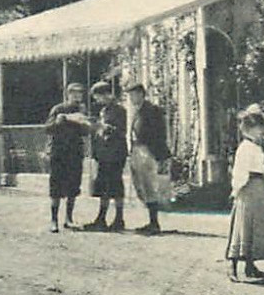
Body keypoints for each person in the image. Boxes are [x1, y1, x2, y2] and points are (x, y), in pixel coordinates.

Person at [225, 104, 264, 282]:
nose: (261, 133)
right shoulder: (245, 148)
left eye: (263, 130)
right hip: (247, 189)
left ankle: (250, 265)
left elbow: (262, 168)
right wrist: (237, 189)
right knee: (243, 226)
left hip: (258, 189)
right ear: (249, 129)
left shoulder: (256, 147)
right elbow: (240, 172)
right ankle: (232, 266)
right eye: (258, 130)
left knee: (256, 228)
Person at [124, 80, 172, 234]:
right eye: (130, 96)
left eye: (133, 95)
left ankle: (154, 222)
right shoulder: (139, 111)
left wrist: (157, 154)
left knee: (149, 185)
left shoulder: (152, 110)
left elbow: (159, 134)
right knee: (142, 186)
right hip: (139, 150)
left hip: (148, 151)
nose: (131, 99)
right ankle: (151, 221)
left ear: (141, 94)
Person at [83, 81, 129, 231]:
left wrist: (102, 127)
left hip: (115, 154)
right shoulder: (104, 111)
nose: (97, 101)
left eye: (98, 97)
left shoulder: (119, 110)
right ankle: (102, 219)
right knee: (104, 186)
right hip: (105, 154)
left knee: (115, 185)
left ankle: (118, 219)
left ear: (107, 94)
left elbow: (120, 131)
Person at [44, 82, 90, 232]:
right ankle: (54, 221)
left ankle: (68, 219)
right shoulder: (58, 109)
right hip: (59, 153)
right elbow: (48, 128)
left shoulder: (81, 110)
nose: (77, 96)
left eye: (79, 93)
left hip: (74, 153)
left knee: (73, 187)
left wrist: (84, 122)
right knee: (56, 187)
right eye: (73, 93)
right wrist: (59, 120)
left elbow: (85, 132)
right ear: (68, 94)